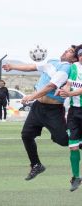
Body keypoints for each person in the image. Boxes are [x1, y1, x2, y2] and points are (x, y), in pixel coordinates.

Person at [2, 45, 78, 181]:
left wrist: (32, 96)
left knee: (63, 140)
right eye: (67, 49)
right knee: (26, 135)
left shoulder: (67, 68)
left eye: (70, 51)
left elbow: (51, 86)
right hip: (38, 108)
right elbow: (32, 67)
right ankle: (36, 165)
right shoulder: (52, 62)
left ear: (74, 58)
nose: (66, 51)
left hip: (53, 111)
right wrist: (13, 66)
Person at [58, 45, 82, 191]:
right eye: (80, 55)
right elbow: (68, 84)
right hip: (74, 113)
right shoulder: (73, 68)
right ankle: (76, 177)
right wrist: (64, 91)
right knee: (73, 146)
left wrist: (69, 94)